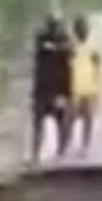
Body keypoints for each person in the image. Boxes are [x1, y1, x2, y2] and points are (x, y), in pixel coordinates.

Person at [30, 11, 73, 162]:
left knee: (61, 123)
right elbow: (41, 48)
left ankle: (61, 152)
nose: (54, 27)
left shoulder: (64, 41)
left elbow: (69, 55)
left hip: (56, 89)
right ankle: (36, 154)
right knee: (39, 124)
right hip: (44, 88)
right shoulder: (42, 40)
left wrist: (67, 93)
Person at [69, 13, 102, 155]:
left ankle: (84, 146)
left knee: (87, 119)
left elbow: (98, 66)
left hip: (88, 89)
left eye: (84, 29)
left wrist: (98, 85)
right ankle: (67, 145)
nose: (83, 32)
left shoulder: (92, 48)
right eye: (80, 29)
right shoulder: (71, 48)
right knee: (70, 119)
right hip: (75, 89)